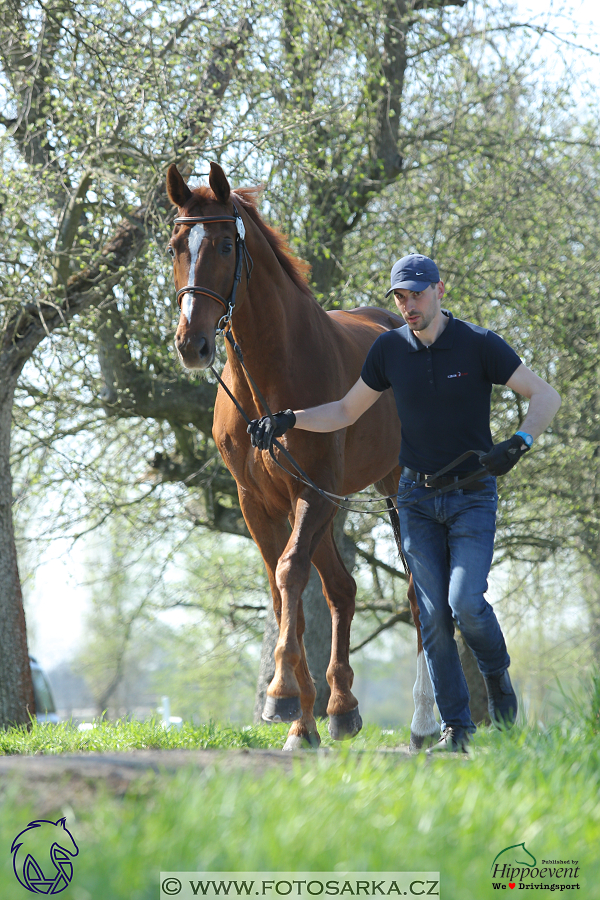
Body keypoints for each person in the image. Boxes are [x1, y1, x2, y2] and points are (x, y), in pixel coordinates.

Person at [247, 254, 561, 752]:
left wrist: (519, 442)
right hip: (416, 496)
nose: (407, 305)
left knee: (466, 605)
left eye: (416, 294)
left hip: (472, 496)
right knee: (434, 614)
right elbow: (347, 410)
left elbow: (545, 396)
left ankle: (498, 677)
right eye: (400, 297)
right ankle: (456, 729)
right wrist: (290, 418)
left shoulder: (480, 345)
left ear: (440, 290)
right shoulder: (388, 349)